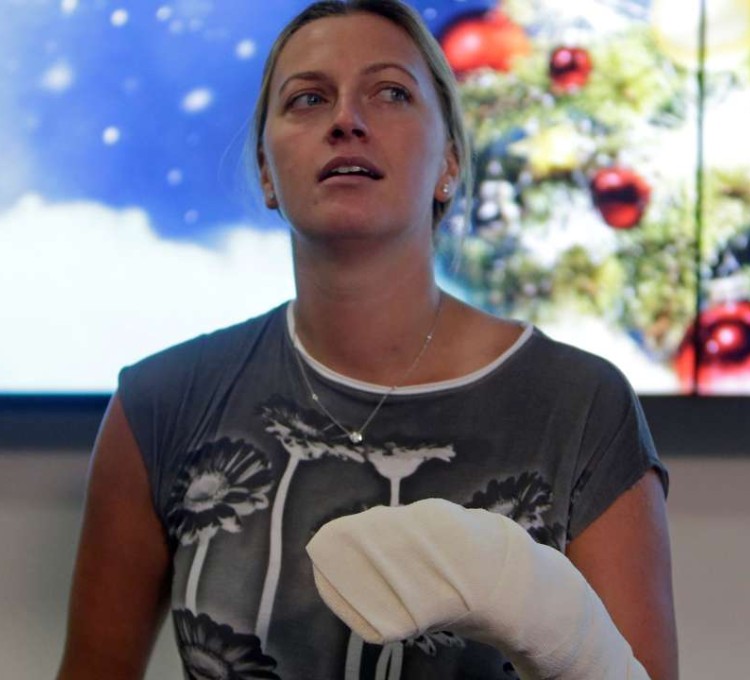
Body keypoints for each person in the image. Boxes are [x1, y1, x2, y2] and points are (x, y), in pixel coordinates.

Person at [57, 1, 679, 678]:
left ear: (449, 162)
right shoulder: (159, 405)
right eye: (308, 99)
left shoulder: (580, 406)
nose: (346, 120)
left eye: (391, 93)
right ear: (267, 171)